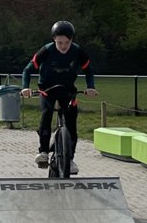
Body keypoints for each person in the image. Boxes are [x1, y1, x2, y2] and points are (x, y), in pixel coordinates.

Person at [21, 21, 97, 172]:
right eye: (59, 42)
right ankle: (43, 152)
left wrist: (91, 87)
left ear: (71, 40)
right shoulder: (46, 50)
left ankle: (70, 159)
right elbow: (27, 70)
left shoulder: (77, 51)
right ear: (54, 39)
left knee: (71, 123)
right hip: (47, 89)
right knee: (46, 114)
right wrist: (25, 87)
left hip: (67, 90)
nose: (63, 46)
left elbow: (89, 70)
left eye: (67, 43)